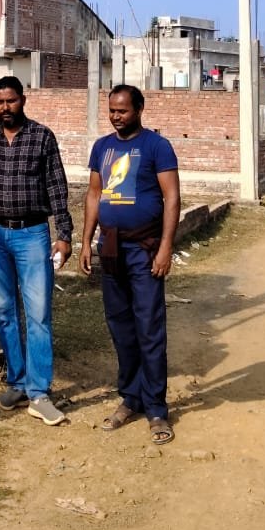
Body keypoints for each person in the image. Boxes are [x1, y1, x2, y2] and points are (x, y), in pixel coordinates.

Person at [0, 77, 73, 426]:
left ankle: (39, 393)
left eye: (10, 101)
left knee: (38, 314)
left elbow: (57, 186)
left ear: (22, 100)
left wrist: (64, 234)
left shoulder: (42, 137)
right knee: (4, 312)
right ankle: (17, 382)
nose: (5, 107)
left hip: (32, 234)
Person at [80, 85, 180, 445]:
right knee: (120, 326)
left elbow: (172, 197)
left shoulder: (157, 146)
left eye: (122, 110)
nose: (116, 116)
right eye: (112, 110)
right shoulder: (102, 147)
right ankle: (130, 397)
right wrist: (86, 241)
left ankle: (155, 408)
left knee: (149, 327)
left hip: (144, 249)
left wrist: (166, 247)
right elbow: (94, 194)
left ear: (139, 109)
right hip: (111, 248)